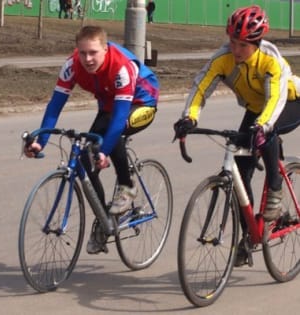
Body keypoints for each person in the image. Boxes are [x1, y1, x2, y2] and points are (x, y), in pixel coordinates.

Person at [173, 5, 300, 266]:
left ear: (256, 42)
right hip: (256, 109)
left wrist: (263, 127)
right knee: (240, 176)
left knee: (269, 130)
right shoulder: (223, 58)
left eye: (243, 45)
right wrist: (190, 117)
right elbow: (201, 87)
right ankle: (249, 235)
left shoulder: (270, 59)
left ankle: (275, 192)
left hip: (289, 102)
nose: (236, 49)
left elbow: (276, 99)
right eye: (232, 42)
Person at [24, 25, 160, 254]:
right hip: (110, 106)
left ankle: (127, 187)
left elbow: (117, 121)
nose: (87, 59)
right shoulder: (72, 65)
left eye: (93, 52)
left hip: (141, 103)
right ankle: (104, 220)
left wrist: (104, 151)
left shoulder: (121, 68)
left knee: (111, 135)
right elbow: (54, 107)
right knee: (86, 164)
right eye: (83, 52)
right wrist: (40, 141)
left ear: (105, 50)